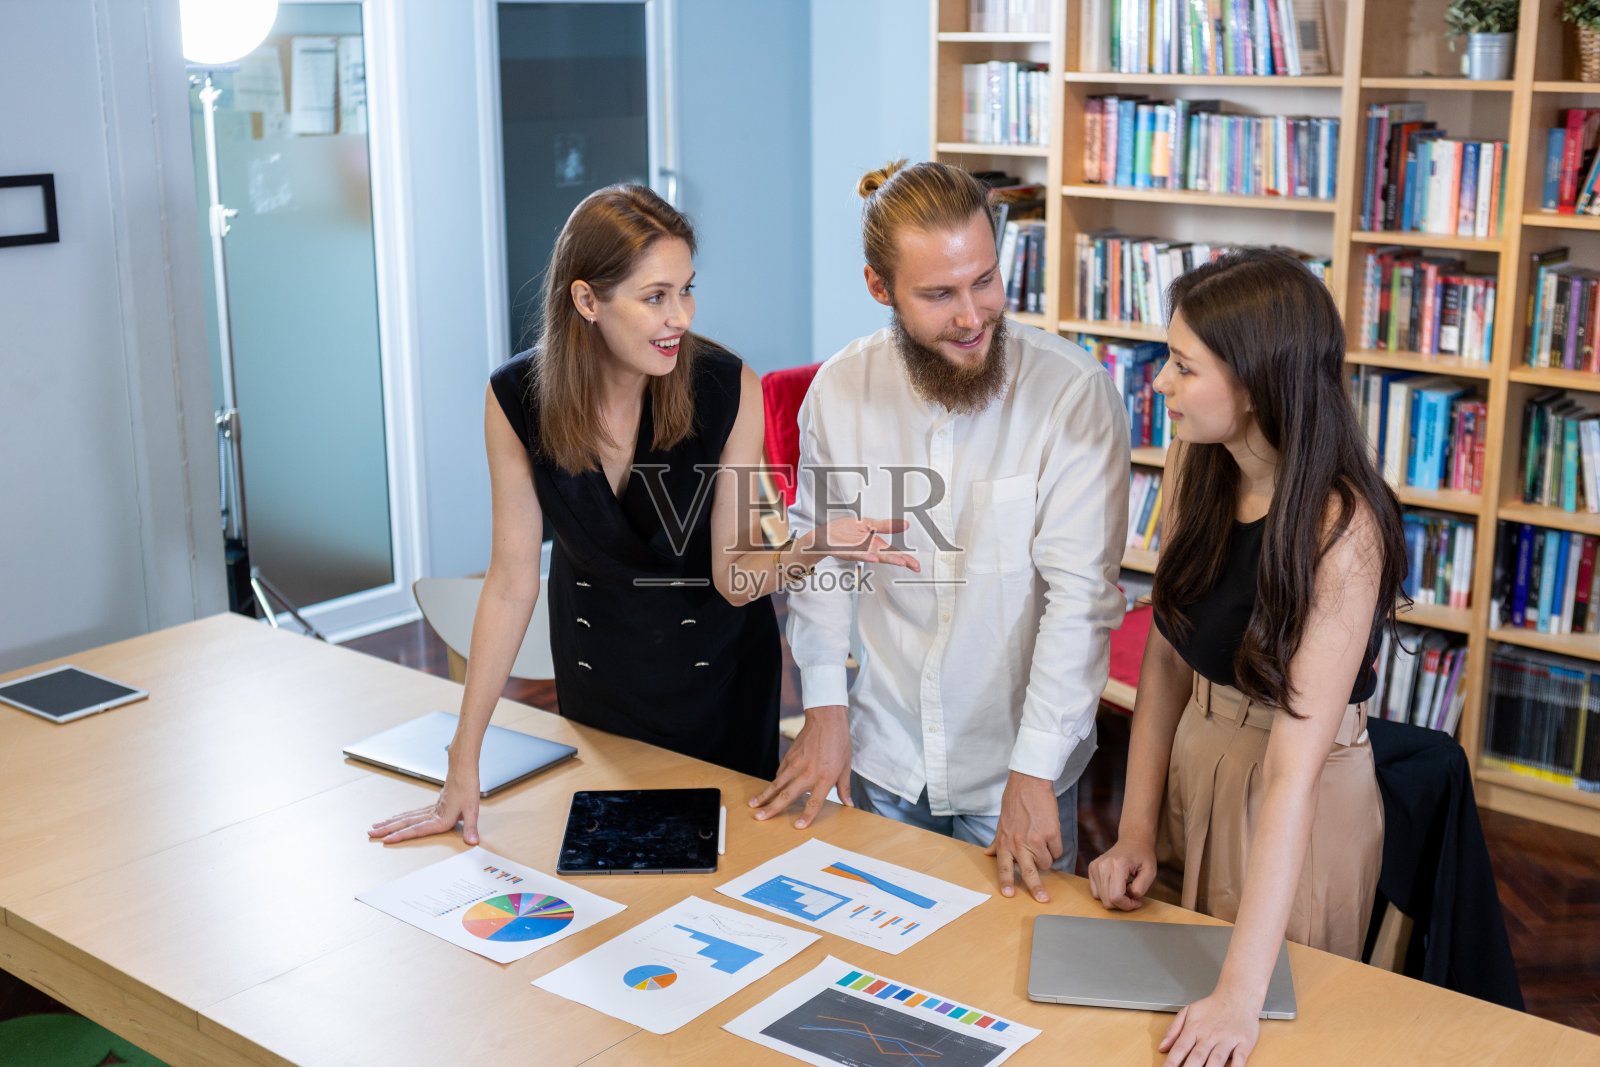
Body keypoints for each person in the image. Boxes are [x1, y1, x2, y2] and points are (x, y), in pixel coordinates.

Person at [371, 184, 913, 846]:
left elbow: (736, 577)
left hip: (722, 689)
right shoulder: (515, 399)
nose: (680, 315)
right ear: (587, 300)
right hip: (599, 680)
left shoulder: (726, 387)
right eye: (655, 296)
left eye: (686, 289)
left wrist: (818, 544)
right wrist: (463, 758)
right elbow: (512, 583)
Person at [749, 160, 1130, 902]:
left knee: (1007, 989)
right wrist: (825, 706)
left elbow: (1080, 602)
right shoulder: (840, 392)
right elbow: (824, 559)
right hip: (883, 749)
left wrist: (1034, 770)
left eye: (984, 280)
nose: (971, 315)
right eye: (939, 294)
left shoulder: (1072, 394)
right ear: (879, 288)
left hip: (1014, 766)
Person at [1085, 248, 1407, 1067]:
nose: (1158, 384)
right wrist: (1135, 832)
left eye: (1183, 367)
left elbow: (1293, 773)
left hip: (1296, 800)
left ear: (1259, 384)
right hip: (1200, 756)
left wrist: (1240, 994)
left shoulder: (1344, 529)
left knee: (1259, 1037)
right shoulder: (1203, 460)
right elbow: (1164, 658)